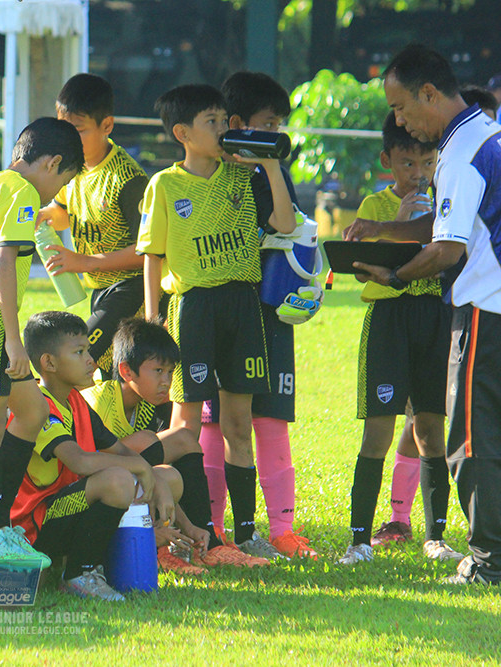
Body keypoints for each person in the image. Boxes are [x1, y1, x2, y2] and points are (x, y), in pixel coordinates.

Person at [349, 43, 501, 585]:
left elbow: (446, 250)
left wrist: (393, 276)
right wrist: (385, 231)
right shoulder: (487, 132)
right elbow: (446, 226)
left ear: (429, 94)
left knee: (472, 439)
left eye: (400, 107)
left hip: (485, 310)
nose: (400, 121)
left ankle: (487, 562)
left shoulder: (460, 152)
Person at [137, 84, 296, 557]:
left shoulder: (242, 176)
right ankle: (196, 531)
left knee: (238, 424)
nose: (225, 128)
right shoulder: (165, 185)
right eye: (213, 121)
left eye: (226, 120)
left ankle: (245, 534)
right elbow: (152, 255)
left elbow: (285, 226)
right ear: (183, 133)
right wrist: (152, 318)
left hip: (242, 306)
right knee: (185, 426)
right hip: (194, 308)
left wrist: (270, 166)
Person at [0, 117, 83, 567]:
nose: (54, 194)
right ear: (53, 163)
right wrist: (13, 339)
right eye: (61, 181)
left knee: (31, 411)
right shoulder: (23, 193)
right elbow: (5, 262)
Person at [195, 71, 318, 560]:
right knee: (212, 421)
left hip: (267, 313)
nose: (277, 133)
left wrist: (269, 168)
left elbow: (286, 223)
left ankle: (282, 529)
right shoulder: (204, 171)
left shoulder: (272, 170)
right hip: (213, 309)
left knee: (269, 415)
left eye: (280, 124)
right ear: (239, 124)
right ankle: (215, 526)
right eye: (269, 123)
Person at [337, 112, 461, 566]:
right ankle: (358, 541)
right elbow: (360, 266)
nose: (419, 174)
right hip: (388, 321)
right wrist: (397, 220)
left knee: (430, 428)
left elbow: (444, 247)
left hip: (434, 316)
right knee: (378, 434)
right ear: (388, 161)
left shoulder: (446, 202)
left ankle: (436, 536)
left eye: (427, 164)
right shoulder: (373, 207)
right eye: (408, 164)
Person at [12, 311, 200, 599]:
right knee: (117, 481)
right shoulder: (40, 406)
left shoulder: (76, 401)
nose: (92, 360)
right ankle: (79, 572)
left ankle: (132, 551)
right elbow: (80, 461)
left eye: (88, 350)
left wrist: (155, 479)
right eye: (80, 352)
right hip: (35, 528)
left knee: (168, 477)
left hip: (69, 509)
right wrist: (140, 467)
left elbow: (120, 449)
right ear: (48, 362)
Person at [81, 318, 269, 570]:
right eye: (158, 371)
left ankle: (207, 543)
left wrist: (188, 524)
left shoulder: (147, 404)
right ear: (126, 371)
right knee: (155, 452)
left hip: (123, 484)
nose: (167, 381)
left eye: (170, 372)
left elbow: (148, 471)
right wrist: (151, 475)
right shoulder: (100, 401)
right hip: (88, 497)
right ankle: (156, 547)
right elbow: (86, 466)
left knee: (179, 449)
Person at [37, 74, 149, 378]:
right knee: (111, 379)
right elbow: (64, 212)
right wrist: (45, 215)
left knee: (75, 356)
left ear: (107, 126)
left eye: (78, 130)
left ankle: (48, 421)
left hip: (131, 289)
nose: (67, 138)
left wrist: (84, 262)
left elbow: (148, 251)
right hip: (100, 290)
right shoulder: (72, 167)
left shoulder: (128, 179)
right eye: (63, 128)